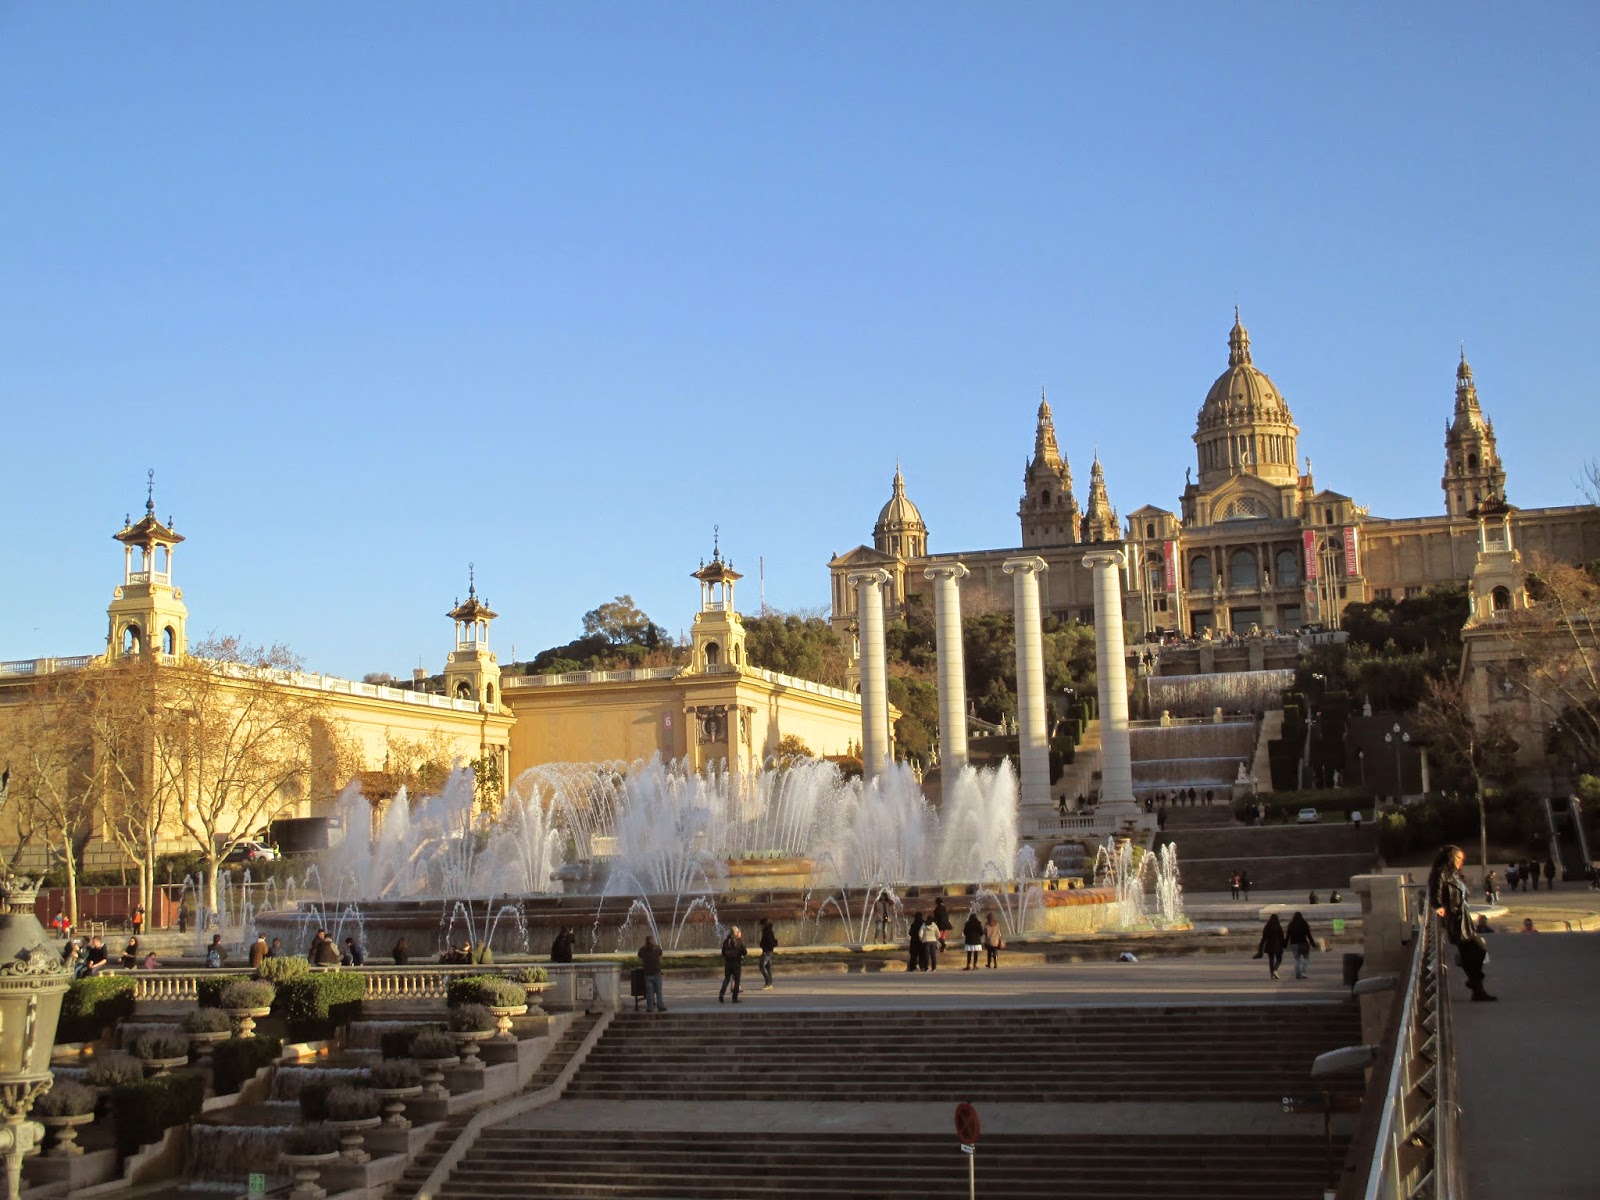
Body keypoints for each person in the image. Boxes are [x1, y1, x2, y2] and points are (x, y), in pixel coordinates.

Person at [1434, 844, 1495, 1001]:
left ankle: (1475, 984)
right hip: (1456, 921)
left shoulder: (1453, 874)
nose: (1461, 862)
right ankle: (1477, 988)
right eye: (1459, 858)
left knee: (1477, 952)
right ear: (1451, 858)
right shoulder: (1441, 874)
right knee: (1473, 952)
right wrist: (1440, 908)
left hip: (1464, 920)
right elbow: (1436, 894)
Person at [718, 925, 747, 1003]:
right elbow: (745, 952)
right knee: (737, 981)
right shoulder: (739, 941)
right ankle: (734, 998)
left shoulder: (726, 941)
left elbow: (723, 953)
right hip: (736, 963)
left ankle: (721, 993)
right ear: (737, 933)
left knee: (726, 979)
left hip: (728, 963)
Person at [638, 935, 666, 1012]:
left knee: (649, 992)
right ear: (652, 940)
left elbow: (639, 955)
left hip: (647, 973)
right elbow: (660, 953)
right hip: (656, 972)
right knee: (659, 991)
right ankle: (660, 1006)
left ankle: (649, 1007)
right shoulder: (656, 948)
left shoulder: (643, 949)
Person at [1285, 911, 1314, 979]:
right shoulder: (1304, 924)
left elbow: (1288, 936)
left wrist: (1285, 944)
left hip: (1294, 944)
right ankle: (1303, 972)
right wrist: (1313, 944)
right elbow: (1308, 935)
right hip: (1303, 943)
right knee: (1306, 958)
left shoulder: (1291, 924)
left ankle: (1298, 973)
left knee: (1297, 959)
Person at [1256, 914, 1286, 980]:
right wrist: (1284, 945)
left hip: (1269, 945)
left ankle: (1272, 974)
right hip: (1277, 945)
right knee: (1279, 959)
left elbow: (1263, 938)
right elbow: (1282, 937)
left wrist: (1261, 947)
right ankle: (1275, 970)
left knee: (1271, 960)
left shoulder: (1267, 927)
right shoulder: (1278, 927)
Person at [757, 918, 778, 990]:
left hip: (767, 951)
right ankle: (769, 984)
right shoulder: (768, 930)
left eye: (762, 925)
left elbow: (770, 941)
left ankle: (768, 982)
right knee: (768, 967)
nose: (761, 927)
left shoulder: (768, 931)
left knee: (762, 966)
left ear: (764, 924)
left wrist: (764, 947)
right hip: (768, 951)